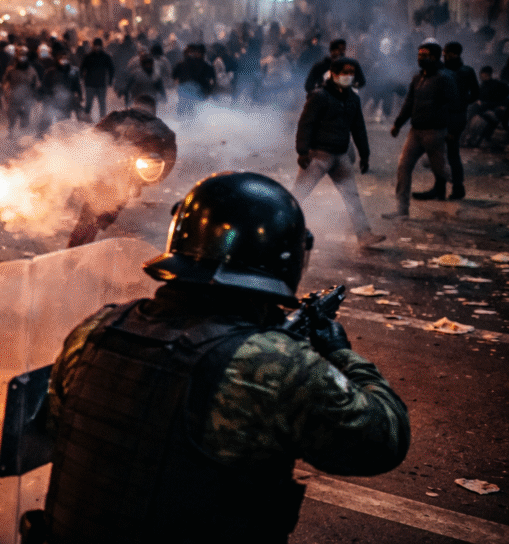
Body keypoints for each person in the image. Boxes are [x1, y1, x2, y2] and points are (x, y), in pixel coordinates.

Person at [42, 171, 410, 543]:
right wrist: (339, 353)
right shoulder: (273, 364)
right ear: (286, 260)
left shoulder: (98, 327)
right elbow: (384, 440)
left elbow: (57, 425)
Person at [294, 57, 385, 247]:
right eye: (345, 72)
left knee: (352, 197)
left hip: (341, 155)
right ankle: (280, 227)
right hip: (318, 156)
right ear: (333, 74)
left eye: (351, 73)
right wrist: (302, 151)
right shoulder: (319, 96)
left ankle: (364, 235)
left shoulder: (353, 99)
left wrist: (365, 155)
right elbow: (306, 124)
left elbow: (358, 129)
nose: (349, 76)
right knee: (297, 196)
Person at [67, 95, 176, 248]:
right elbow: (169, 159)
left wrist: (149, 177)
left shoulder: (120, 117)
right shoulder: (161, 129)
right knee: (98, 214)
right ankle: (80, 246)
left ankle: (78, 246)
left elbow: (95, 135)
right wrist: (151, 179)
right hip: (113, 172)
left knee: (94, 214)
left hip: (119, 175)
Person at [384, 43, 459, 218]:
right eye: (419, 54)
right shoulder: (417, 79)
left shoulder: (444, 79)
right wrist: (398, 124)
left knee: (440, 169)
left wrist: (452, 131)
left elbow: (455, 106)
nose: (420, 58)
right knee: (403, 167)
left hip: (435, 132)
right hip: (415, 132)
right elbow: (408, 103)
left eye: (424, 54)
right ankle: (402, 210)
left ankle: (457, 182)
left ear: (435, 57)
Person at [424, 41, 479, 200]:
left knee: (452, 153)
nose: (444, 55)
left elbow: (475, 94)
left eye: (446, 52)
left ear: (455, 54)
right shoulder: (445, 69)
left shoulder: (464, 71)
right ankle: (441, 187)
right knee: (439, 154)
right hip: (445, 117)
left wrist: (460, 102)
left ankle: (457, 187)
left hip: (454, 118)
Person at [37, 50, 83, 137]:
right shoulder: (50, 72)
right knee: (46, 118)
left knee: (64, 121)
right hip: (52, 99)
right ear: (57, 60)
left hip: (67, 101)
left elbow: (77, 85)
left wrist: (80, 95)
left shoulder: (73, 71)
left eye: (65, 58)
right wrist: (41, 95)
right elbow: (44, 85)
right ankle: (41, 137)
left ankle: (64, 138)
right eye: (61, 58)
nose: (63, 60)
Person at [463, 66, 508, 148]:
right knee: (473, 108)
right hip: (486, 108)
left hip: (492, 109)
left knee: (477, 111)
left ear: (486, 74)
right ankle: (469, 137)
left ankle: (470, 137)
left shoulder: (498, 85)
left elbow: (502, 99)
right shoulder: (483, 85)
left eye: (482, 74)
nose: (481, 76)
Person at [1, 47, 40, 138]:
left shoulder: (31, 70)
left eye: (24, 56)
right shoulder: (11, 70)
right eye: (20, 56)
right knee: (11, 116)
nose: (22, 58)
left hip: (27, 98)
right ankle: (10, 132)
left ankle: (23, 136)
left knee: (25, 119)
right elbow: (5, 82)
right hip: (13, 97)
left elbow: (36, 83)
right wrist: (6, 92)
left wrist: (36, 95)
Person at [171, 43, 216, 117]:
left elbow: (212, 80)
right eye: (190, 52)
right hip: (187, 92)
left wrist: (208, 91)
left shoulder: (205, 65)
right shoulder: (182, 64)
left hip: (198, 93)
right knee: (185, 111)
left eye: (195, 52)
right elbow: (174, 76)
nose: (193, 54)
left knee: (195, 112)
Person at [79, 38, 115, 121]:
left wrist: (110, 81)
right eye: (96, 45)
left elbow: (111, 69)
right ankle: (86, 120)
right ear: (93, 46)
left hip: (101, 85)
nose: (97, 47)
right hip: (90, 85)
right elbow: (82, 68)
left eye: (99, 45)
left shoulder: (106, 57)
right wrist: (81, 79)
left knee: (102, 104)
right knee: (88, 104)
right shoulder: (88, 56)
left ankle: (103, 121)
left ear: (102, 46)